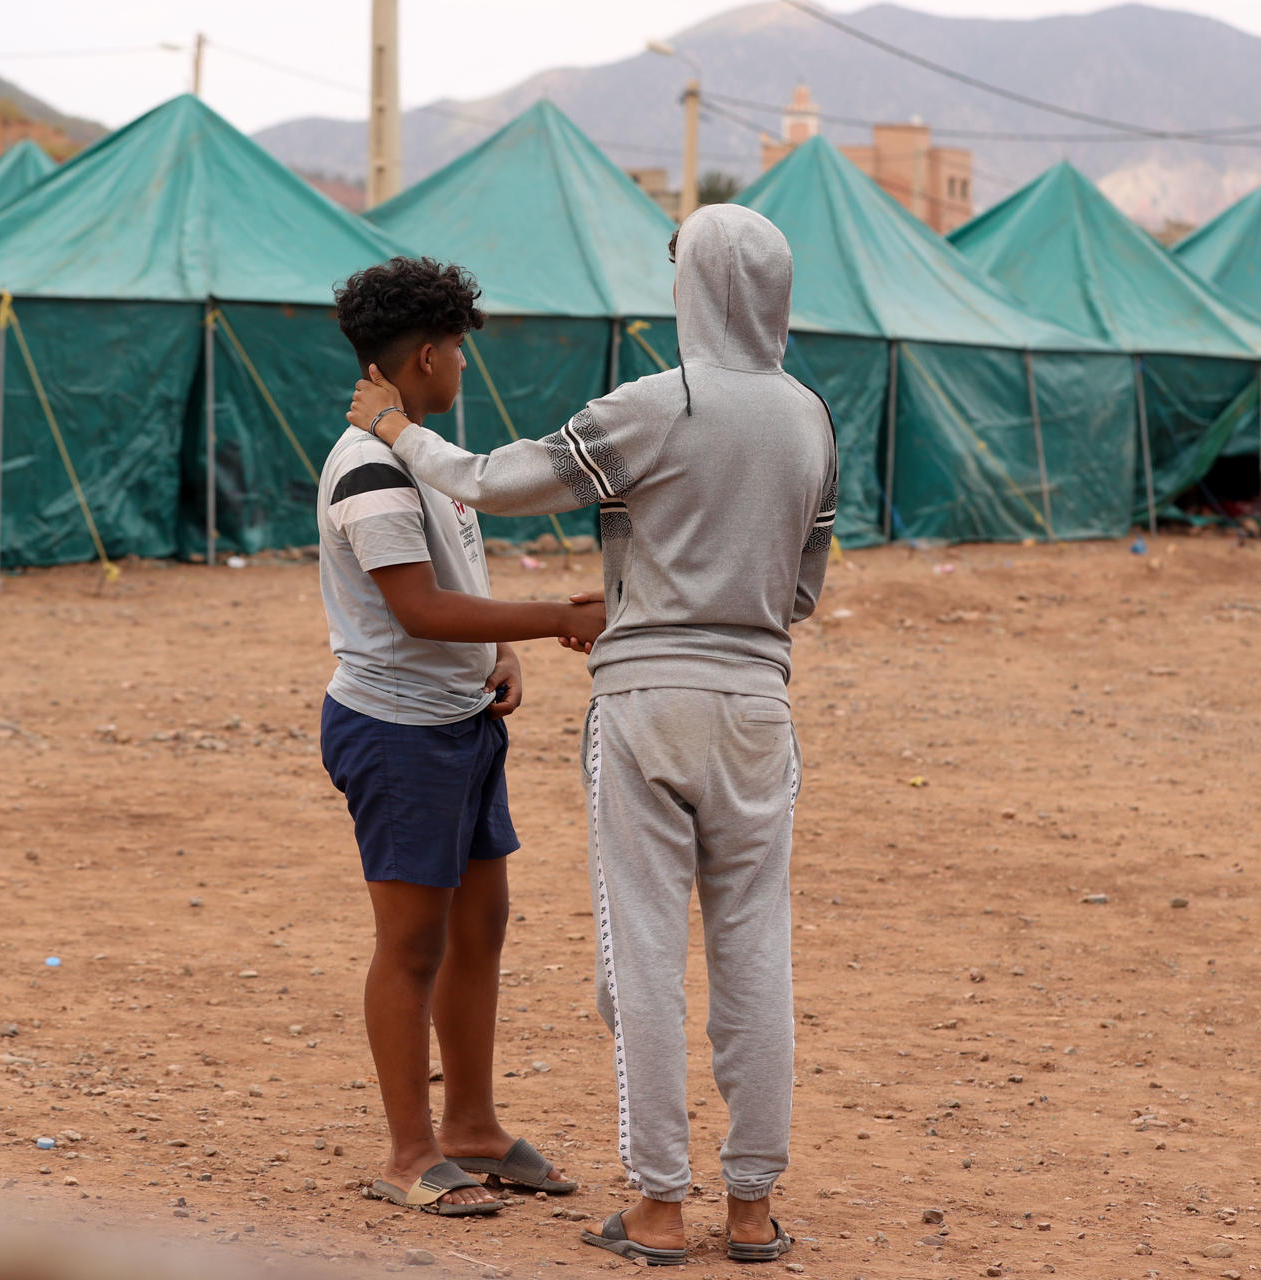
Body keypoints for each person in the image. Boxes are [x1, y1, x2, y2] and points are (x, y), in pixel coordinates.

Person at [346, 204, 836, 1264]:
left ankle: (660, 1205)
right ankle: (751, 1207)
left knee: (648, 954)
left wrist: (398, 431)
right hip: (760, 707)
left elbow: (498, 482)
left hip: (649, 703)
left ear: (697, 288)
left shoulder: (657, 405)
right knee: (756, 948)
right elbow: (800, 591)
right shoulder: (810, 418)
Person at [320, 257, 603, 1217]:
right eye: (461, 357)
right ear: (431, 356)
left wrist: (500, 653)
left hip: (459, 720)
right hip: (397, 732)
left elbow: (457, 594)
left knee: (480, 925)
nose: (466, 373)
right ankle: (409, 1154)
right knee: (411, 945)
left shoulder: (425, 455)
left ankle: (473, 1126)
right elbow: (418, 611)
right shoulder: (367, 468)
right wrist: (561, 618)